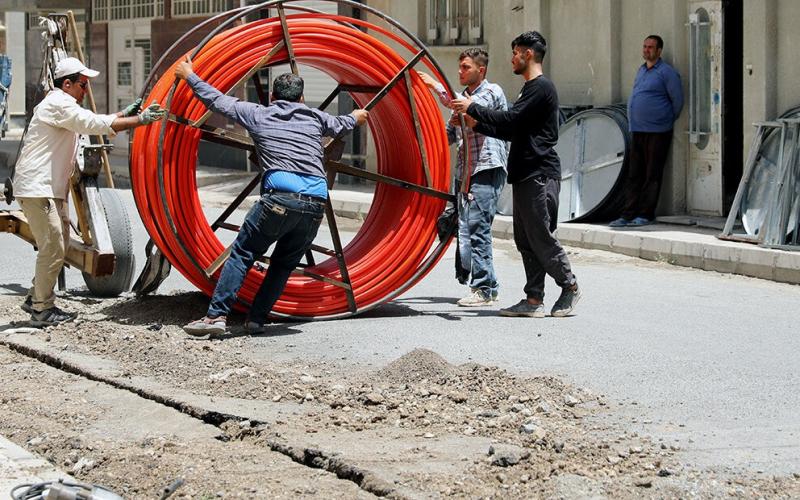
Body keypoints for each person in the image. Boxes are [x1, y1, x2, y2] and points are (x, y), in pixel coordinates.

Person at [175, 59, 368, 337]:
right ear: (302, 98)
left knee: (242, 253)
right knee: (283, 265)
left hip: (279, 201)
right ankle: (256, 320)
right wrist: (359, 116)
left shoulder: (258, 114)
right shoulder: (315, 117)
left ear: (272, 97)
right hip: (315, 205)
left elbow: (216, 101)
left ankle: (216, 317)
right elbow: (345, 123)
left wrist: (190, 76)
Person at [14, 57, 164, 326]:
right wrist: (139, 120)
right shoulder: (58, 103)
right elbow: (91, 124)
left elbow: (91, 121)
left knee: (57, 245)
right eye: (83, 84)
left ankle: (36, 298)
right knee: (53, 246)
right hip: (39, 187)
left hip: (49, 188)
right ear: (67, 84)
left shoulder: (64, 104)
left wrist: (123, 114)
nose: (86, 90)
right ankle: (41, 309)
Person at [451, 31, 580, 318]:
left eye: (515, 53)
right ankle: (533, 301)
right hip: (524, 174)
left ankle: (569, 286)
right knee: (525, 240)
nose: (512, 58)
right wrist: (476, 124)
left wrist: (474, 107)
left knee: (540, 235)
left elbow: (511, 118)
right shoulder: (528, 90)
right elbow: (511, 130)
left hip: (539, 173)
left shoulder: (541, 88)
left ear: (528, 54)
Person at [417, 48, 508, 307]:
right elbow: (447, 135)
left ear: (482, 70)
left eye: (466, 67)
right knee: (468, 228)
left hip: (486, 168)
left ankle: (483, 289)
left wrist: (436, 87)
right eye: (460, 67)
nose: (460, 72)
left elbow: (473, 111)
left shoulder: (491, 93)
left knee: (479, 227)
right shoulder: (464, 98)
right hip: (466, 172)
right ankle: (486, 284)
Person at [610, 35, 683, 227]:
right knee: (634, 174)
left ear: (659, 51)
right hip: (638, 129)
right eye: (644, 46)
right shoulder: (641, 70)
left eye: (650, 47)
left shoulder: (666, 72)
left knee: (652, 174)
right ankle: (627, 214)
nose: (646, 50)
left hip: (658, 131)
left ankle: (645, 214)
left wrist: (663, 119)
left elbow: (678, 101)